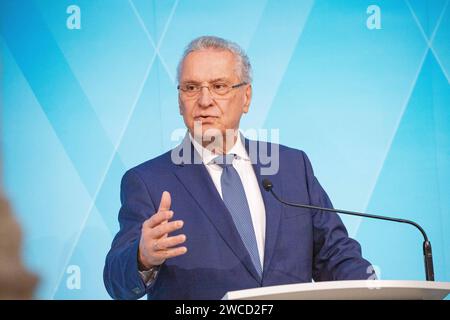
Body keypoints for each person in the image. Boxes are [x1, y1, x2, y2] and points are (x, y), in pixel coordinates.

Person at [103, 36, 375, 300]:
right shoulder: (148, 181)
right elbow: (116, 282)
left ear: (246, 97)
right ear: (179, 101)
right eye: (191, 87)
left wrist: (375, 289)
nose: (205, 100)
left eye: (219, 86)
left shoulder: (291, 167)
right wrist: (142, 257)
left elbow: (335, 255)